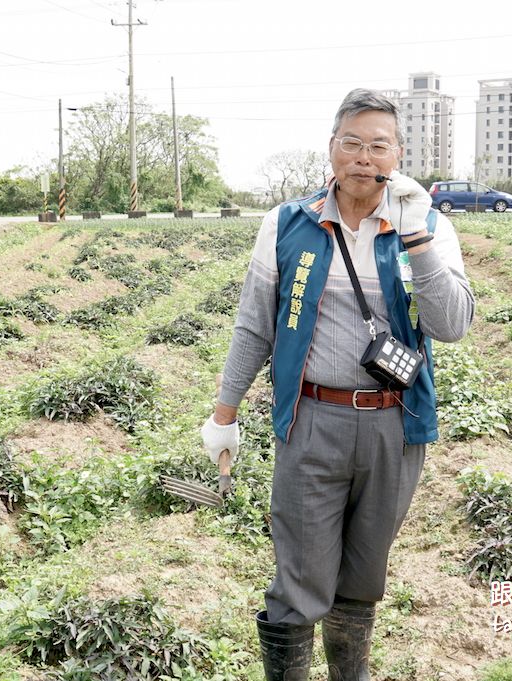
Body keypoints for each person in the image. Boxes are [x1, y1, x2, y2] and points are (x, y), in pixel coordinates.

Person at [200, 88, 475, 681]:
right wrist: (225, 413)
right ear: (331, 149)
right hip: (311, 422)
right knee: (299, 579)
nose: (364, 157)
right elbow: (256, 324)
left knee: (363, 576)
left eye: (379, 145)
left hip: (393, 425)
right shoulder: (288, 224)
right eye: (352, 143)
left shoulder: (428, 225)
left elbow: (451, 326)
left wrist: (417, 241)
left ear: (397, 154)